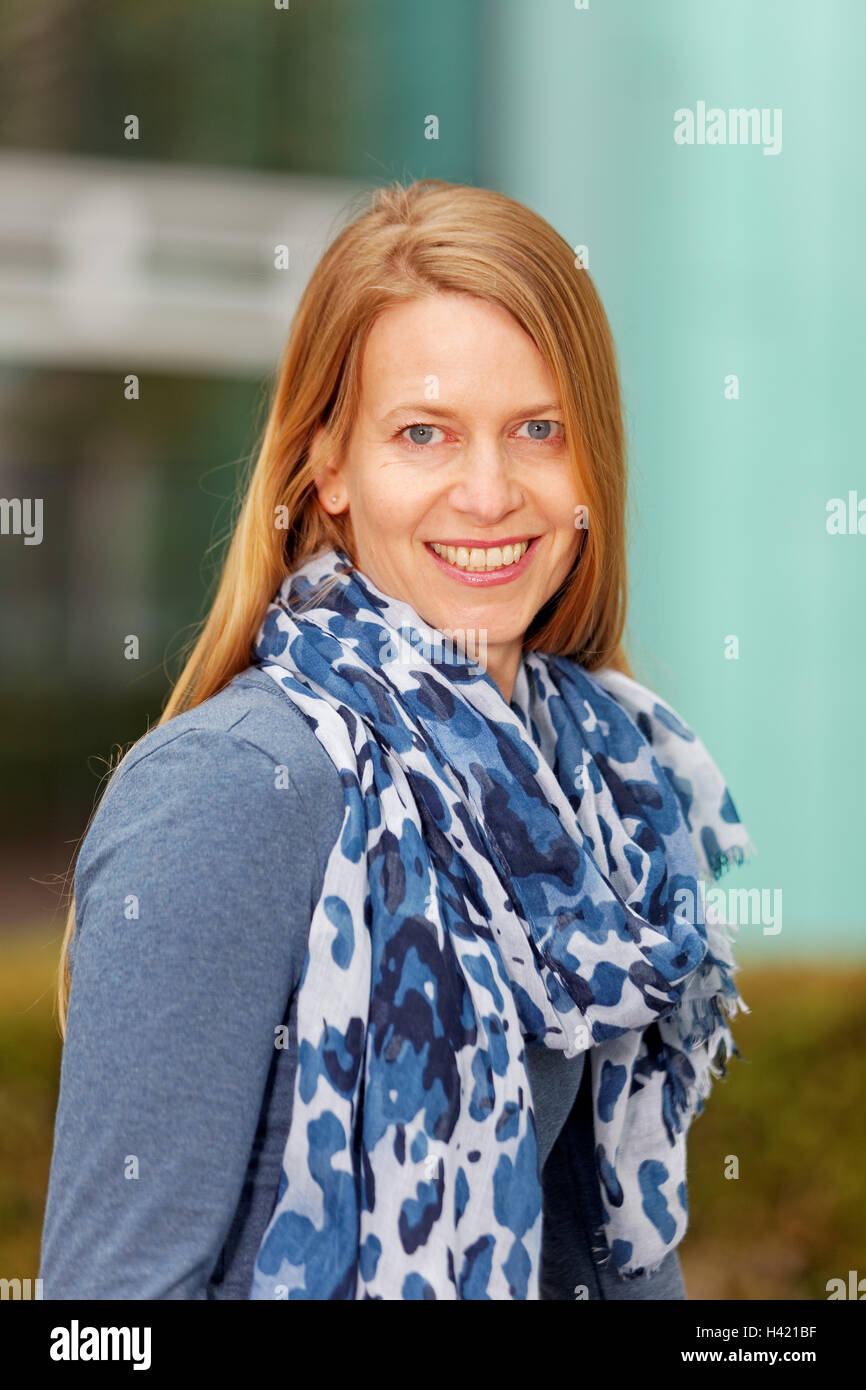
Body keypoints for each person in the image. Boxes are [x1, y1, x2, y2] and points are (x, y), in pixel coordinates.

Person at [40, 178, 755, 1301]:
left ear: (589, 468)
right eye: (422, 432)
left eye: (537, 430)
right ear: (327, 463)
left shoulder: (604, 783)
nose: (487, 490)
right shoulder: (235, 791)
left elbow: (607, 1257)